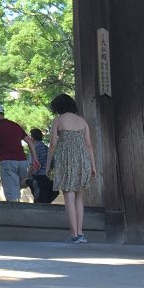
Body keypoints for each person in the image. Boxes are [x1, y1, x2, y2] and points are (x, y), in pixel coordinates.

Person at [46, 93, 97, 243]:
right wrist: (93, 165)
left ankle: (73, 235)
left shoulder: (58, 120)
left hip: (66, 159)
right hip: (83, 159)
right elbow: (89, 145)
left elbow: (53, 144)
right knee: (79, 196)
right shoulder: (82, 121)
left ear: (58, 107)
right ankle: (80, 233)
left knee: (68, 195)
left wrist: (48, 164)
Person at [0, 104, 32, 202]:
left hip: (8, 162)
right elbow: (29, 141)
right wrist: (35, 158)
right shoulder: (15, 125)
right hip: (22, 161)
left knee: (11, 194)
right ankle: (30, 182)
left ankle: (13, 210)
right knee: (20, 186)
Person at [27, 127, 56, 205]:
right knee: (45, 202)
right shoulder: (47, 148)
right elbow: (53, 163)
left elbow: (33, 165)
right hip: (47, 178)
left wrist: (27, 177)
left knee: (38, 203)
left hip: (38, 178)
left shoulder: (35, 149)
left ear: (32, 138)